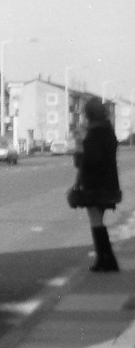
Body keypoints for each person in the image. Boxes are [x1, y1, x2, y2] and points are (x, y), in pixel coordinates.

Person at [71, 96, 122, 272]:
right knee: (98, 220)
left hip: (95, 184)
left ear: (89, 114)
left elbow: (88, 161)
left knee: (96, 221)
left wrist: (79, 148)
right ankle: (107, 260)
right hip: (108, 183)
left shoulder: (94, 133)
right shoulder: (108, 130)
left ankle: (105, 261)